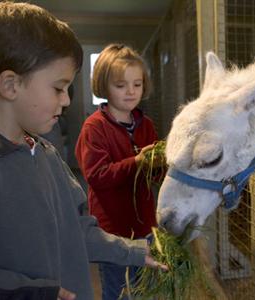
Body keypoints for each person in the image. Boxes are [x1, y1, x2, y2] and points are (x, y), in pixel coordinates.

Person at [0, 2, 166, 300]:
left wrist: (136, 251)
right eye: (58, 88)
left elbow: (79, 231)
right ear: (10, 85)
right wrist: (35, 293)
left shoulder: (47, 155)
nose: (67, 101)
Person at [75, 44, 163, 300]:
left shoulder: (145, 124)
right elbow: (97, 176)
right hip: (112, 230)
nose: (131, 91)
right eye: (121, 85)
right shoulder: (94, 127)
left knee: (144, 287)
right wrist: (138, 161)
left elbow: (154, 175)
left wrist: (162, 164)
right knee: (118, 290)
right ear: (103, 85)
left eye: (137, 84)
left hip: (144, 224)